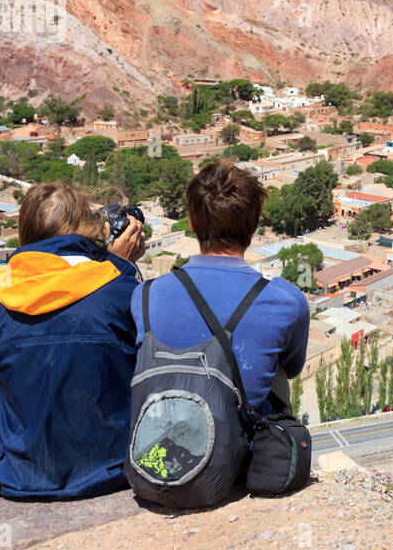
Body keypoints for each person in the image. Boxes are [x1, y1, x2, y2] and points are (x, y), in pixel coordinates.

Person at [0, 182, 146, 499]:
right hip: (108, 464)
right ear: (88, 229)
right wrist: (121, 265)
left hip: (21, 468)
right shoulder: (120, 287)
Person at [131, 160, 308, 418]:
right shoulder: (286, 302)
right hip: (238, 447)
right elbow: (291, 368)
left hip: (160, 444)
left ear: (191, 224)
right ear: (255, 224)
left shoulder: (144, 296)